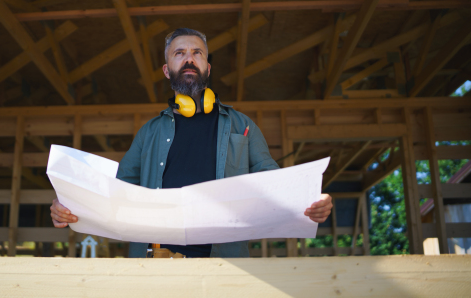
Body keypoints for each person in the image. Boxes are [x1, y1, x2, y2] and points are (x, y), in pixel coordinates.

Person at [51, 28, 333, 257]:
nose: (189, 59)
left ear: (207, 68)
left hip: (223, 264)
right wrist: (70, 205)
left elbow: (273, 181)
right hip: (156, 265)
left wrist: (309, 201)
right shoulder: (148, 132)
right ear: (166, 69)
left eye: (197, 53)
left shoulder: (242, 126)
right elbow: (116, 188)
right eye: (179, 53)